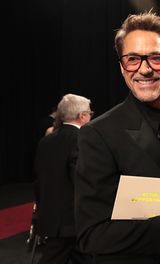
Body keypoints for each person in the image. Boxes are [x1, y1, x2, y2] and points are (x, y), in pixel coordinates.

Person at [74, 11, 160, 264]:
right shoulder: (98, 134)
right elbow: (92, 235)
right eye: (133, 59)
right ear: (122, 67)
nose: (144, 69)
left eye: (156, 58)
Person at [34, 93, 93, 264]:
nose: (90, 117)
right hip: (71, 219)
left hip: (50, 215)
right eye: (90, 113)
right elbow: (81, 181)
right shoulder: (82, 140)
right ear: (82, 116)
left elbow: (38, 178)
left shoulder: (45, 141)